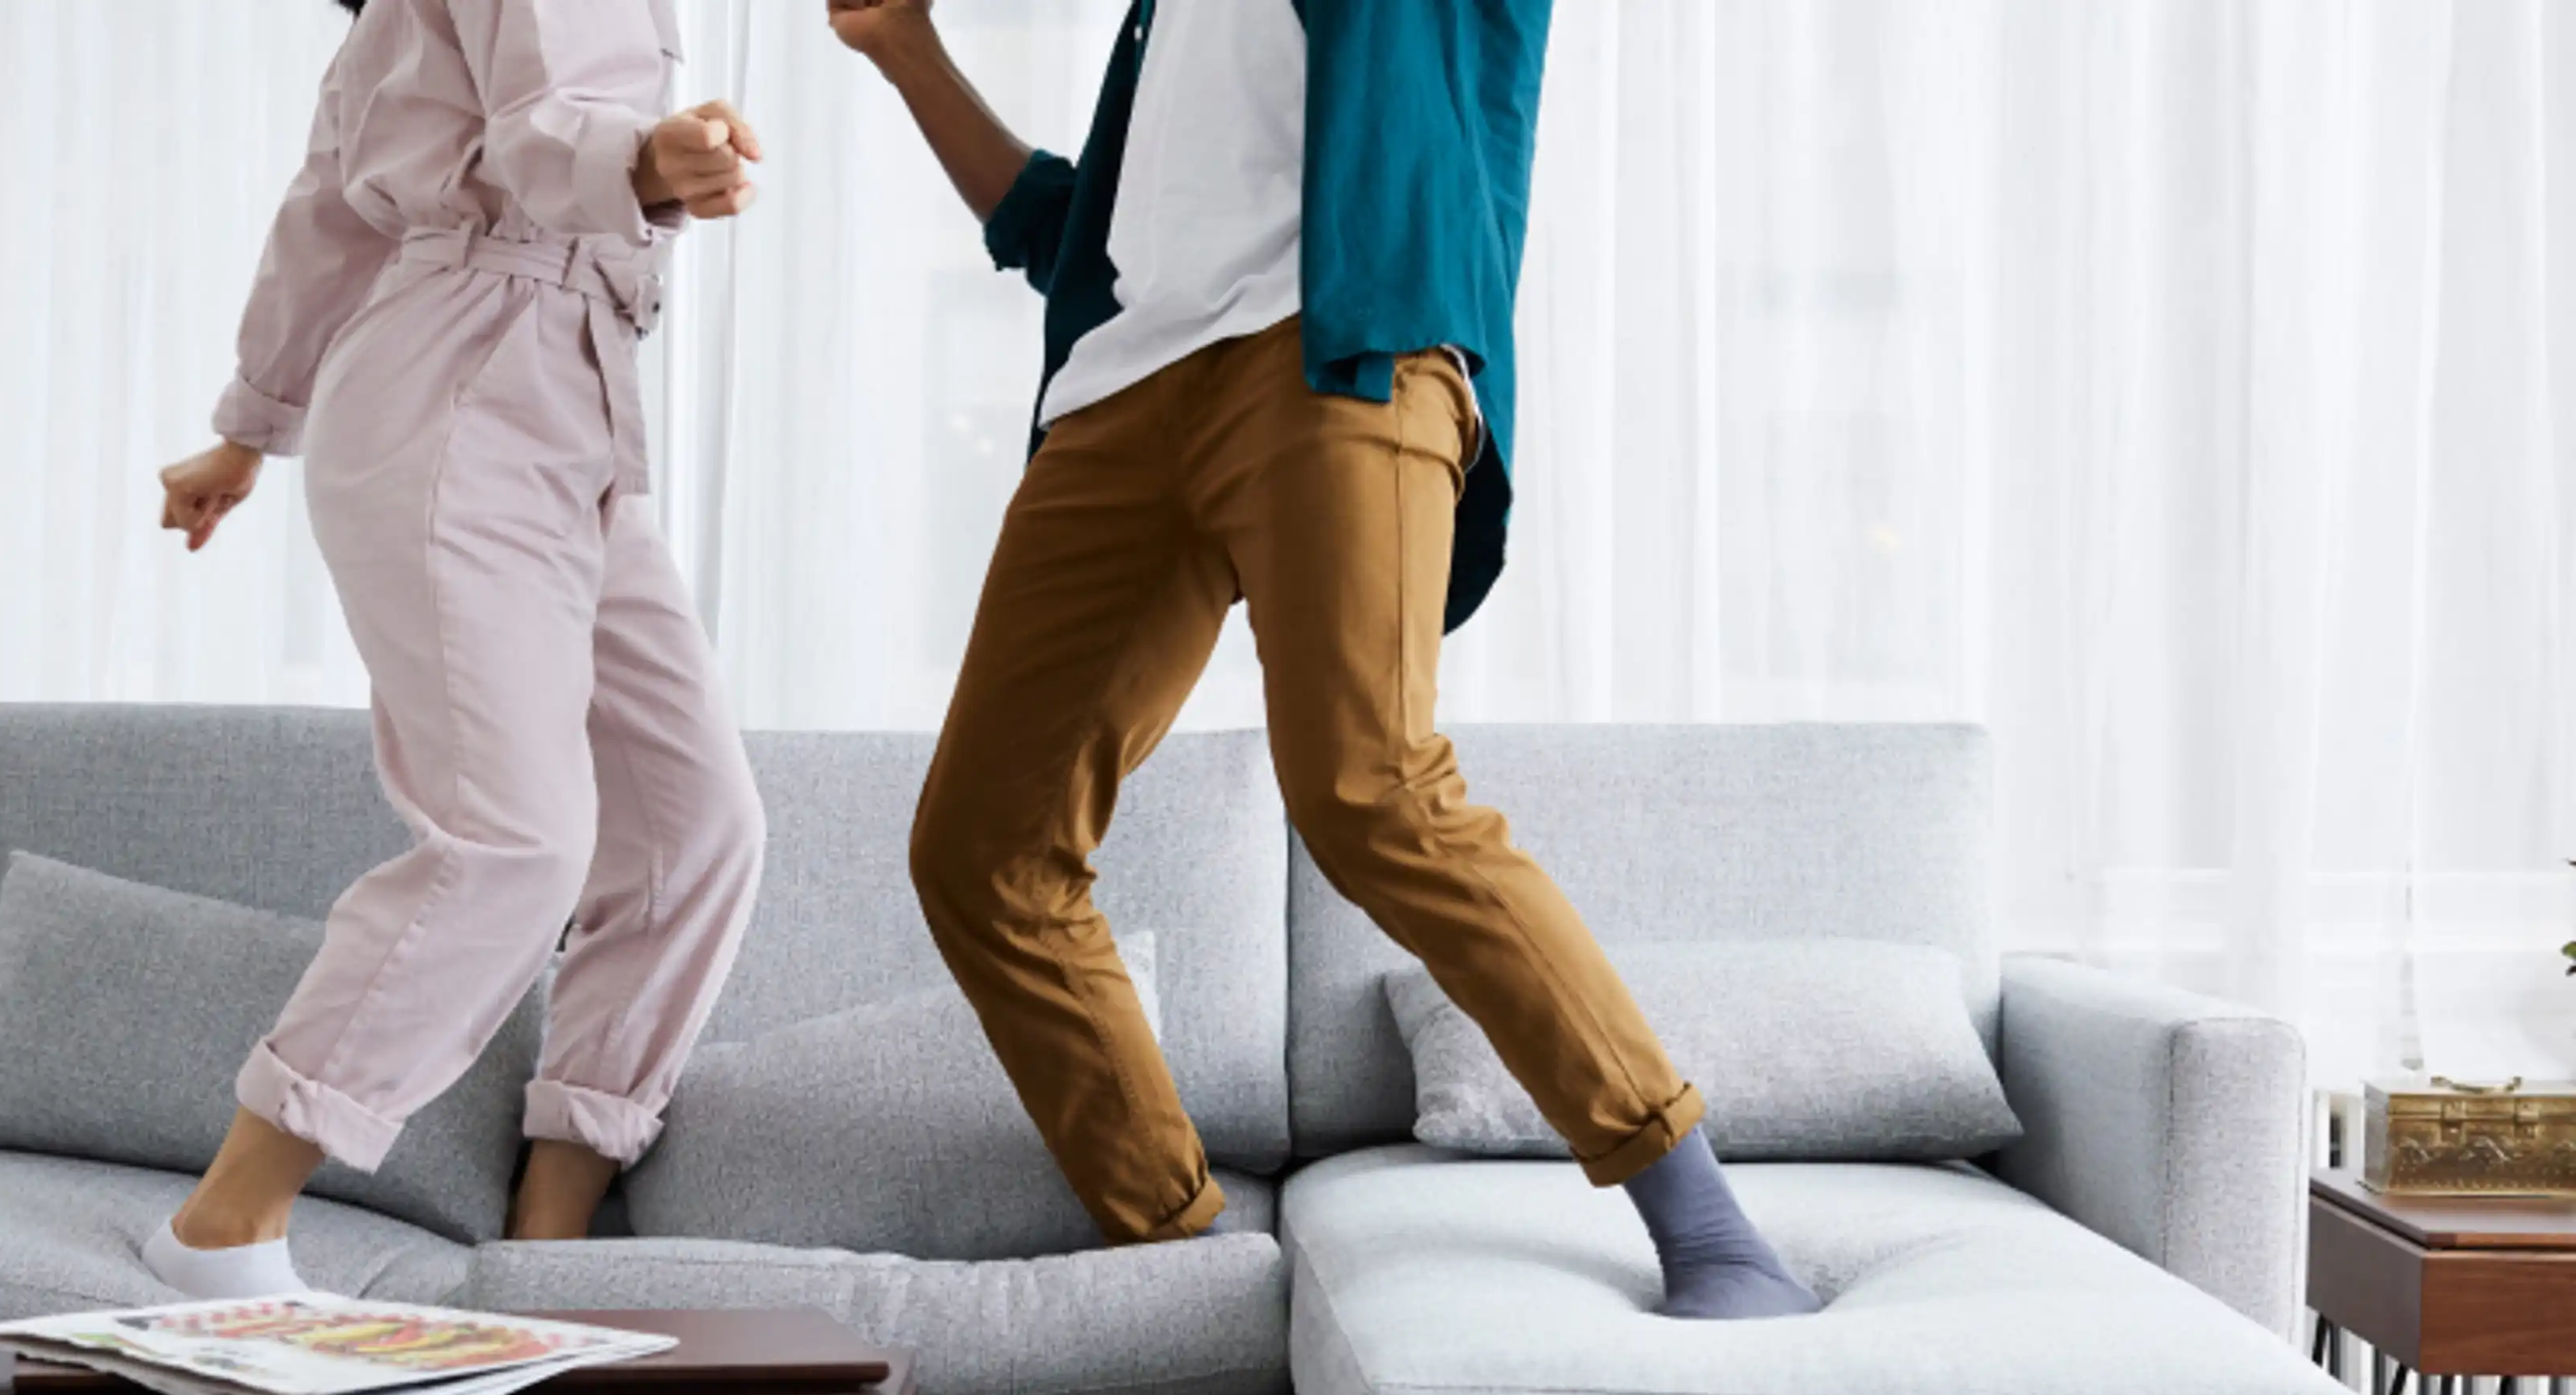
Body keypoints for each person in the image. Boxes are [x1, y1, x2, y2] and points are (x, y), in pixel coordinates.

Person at [831, 0, 1821, 1319]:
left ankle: (1704, 1219)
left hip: (1336, 346)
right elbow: (1065, 235)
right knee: (979, 852)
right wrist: (906, 47)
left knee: (1371, 788)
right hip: (1121, 395)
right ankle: (1181, 1265)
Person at [142, 0, 767, 1299]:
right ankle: (222, 1226)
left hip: (574, 409)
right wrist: (647, 160)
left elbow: (325, 212)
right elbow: (539, 135)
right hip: (455, 394)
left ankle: (546, 1250)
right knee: (516, 838)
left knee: (695, 827)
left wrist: (247, 432)